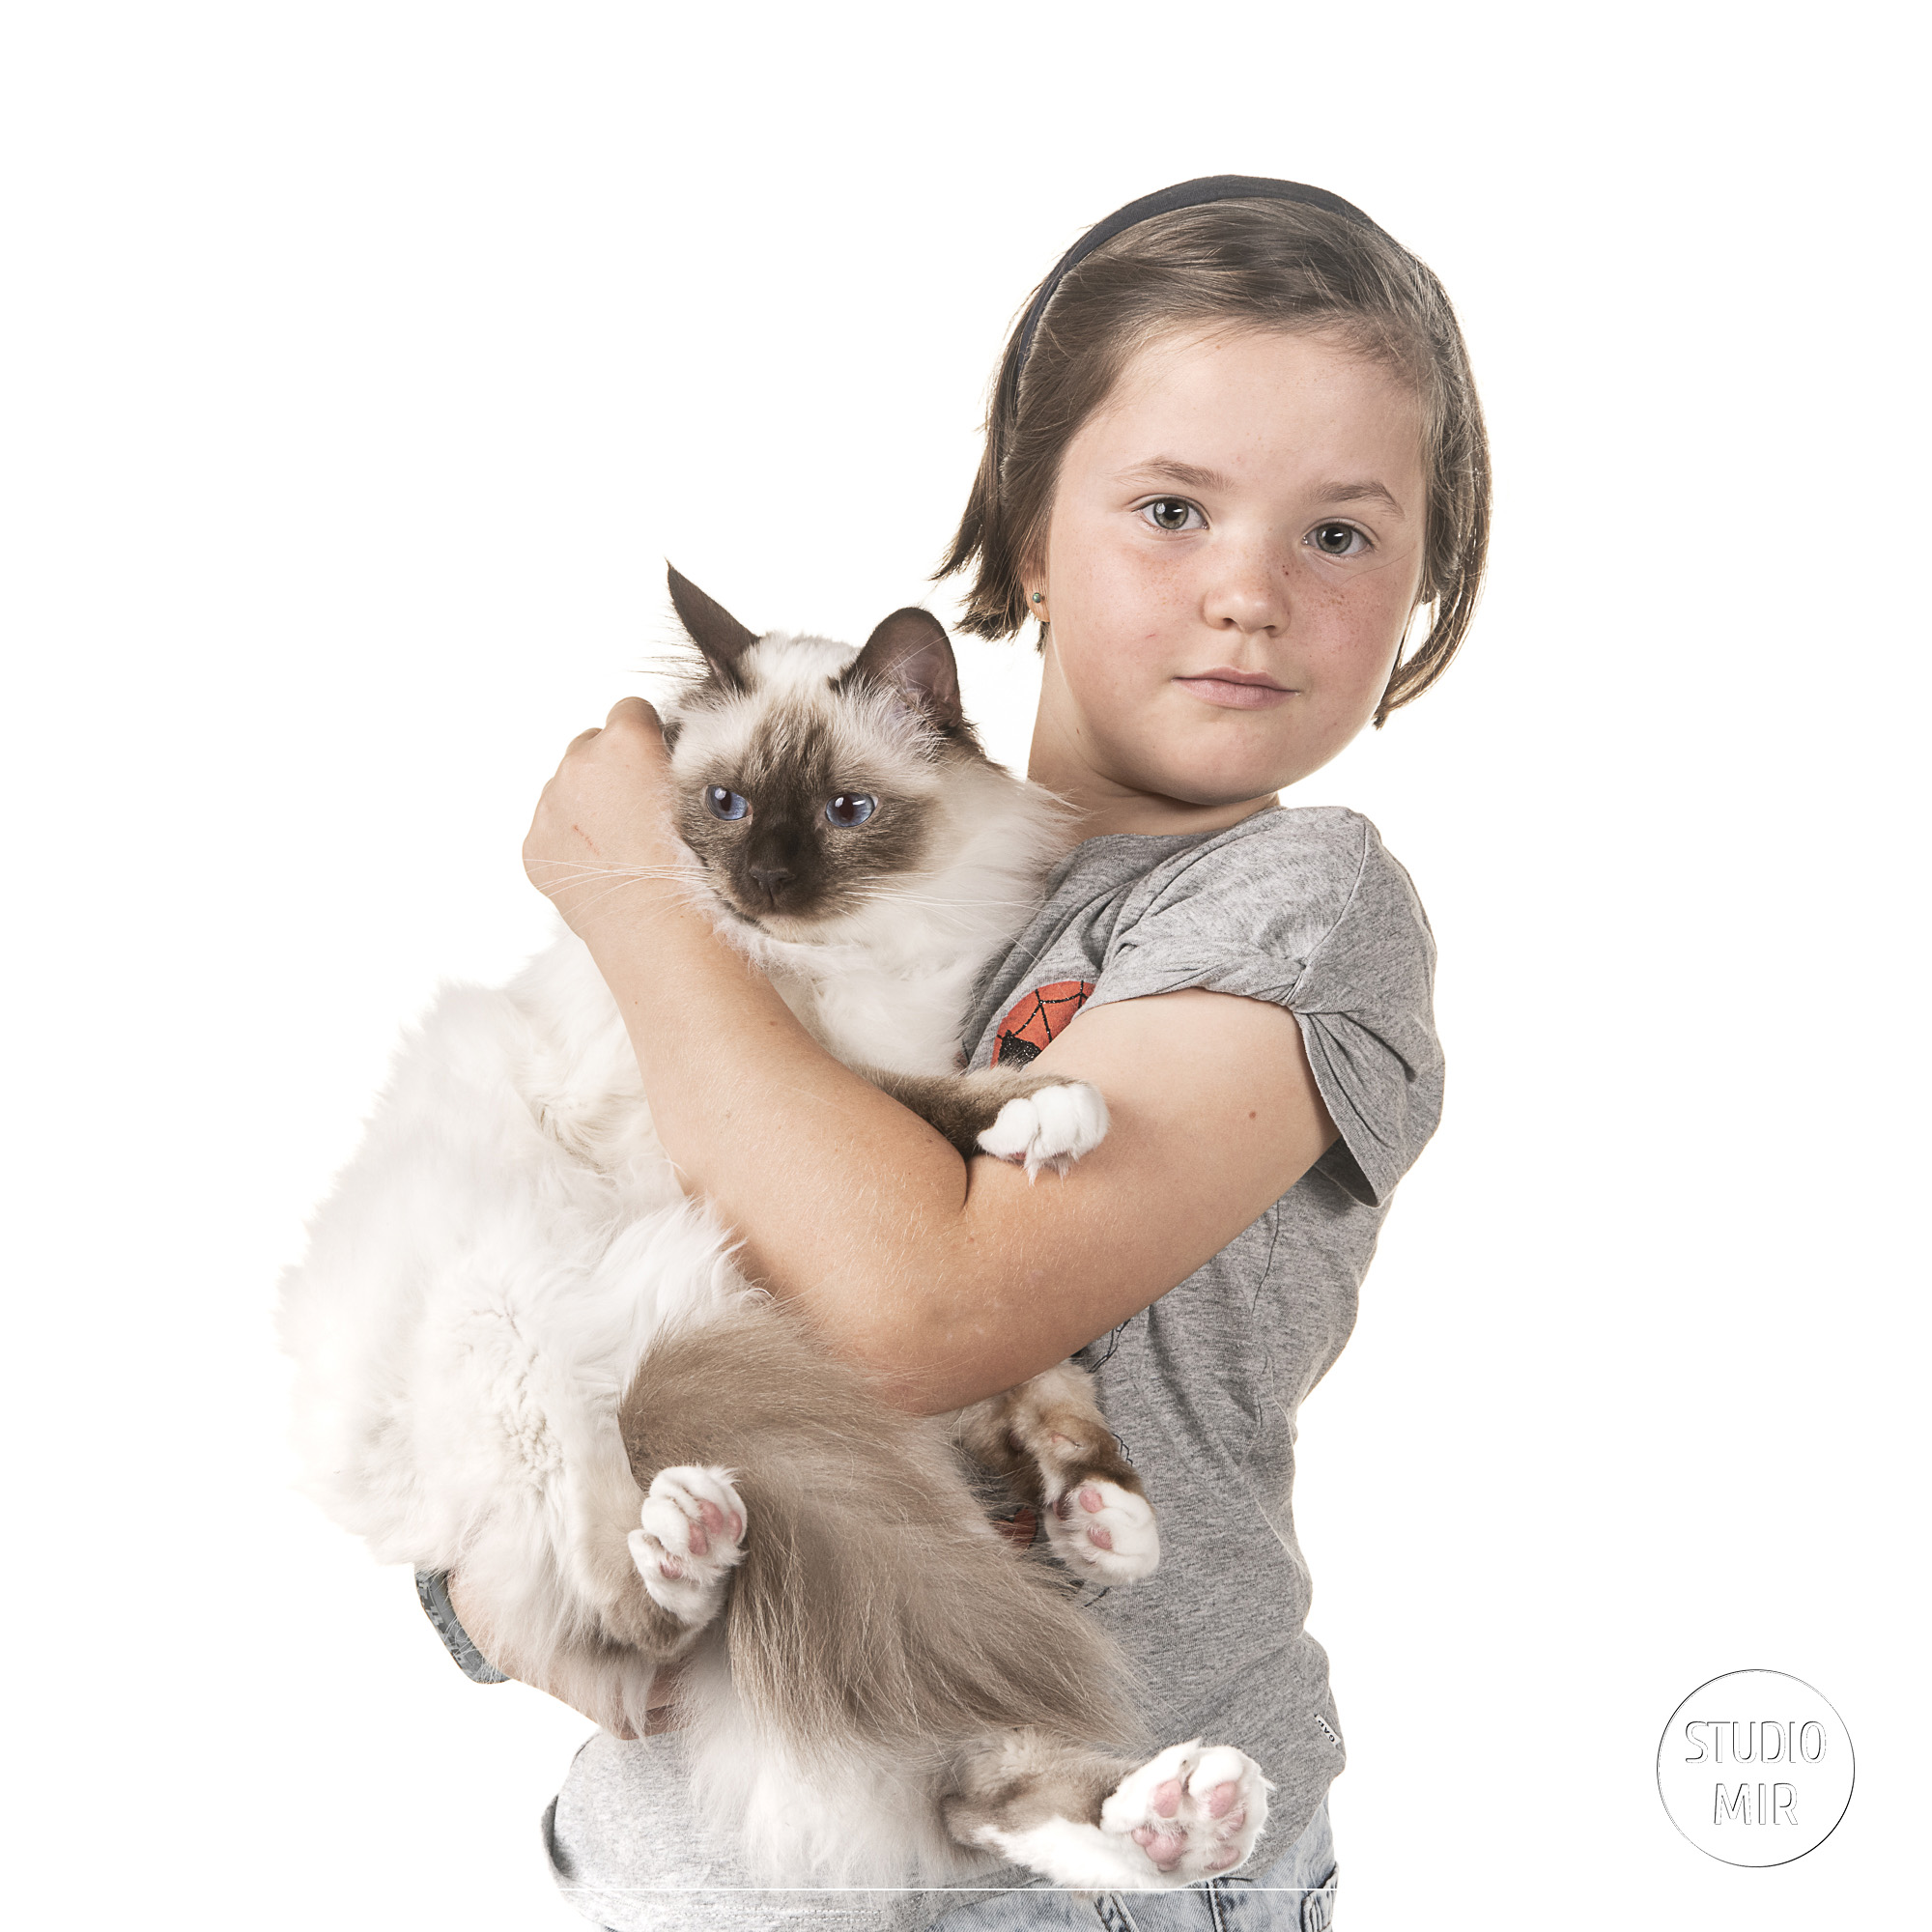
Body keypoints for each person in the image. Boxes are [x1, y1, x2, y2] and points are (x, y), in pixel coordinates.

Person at [440, 176, 1489, 1930]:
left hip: (1110, 1864)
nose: (1246, 594)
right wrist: (513, 1563)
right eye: (1172, 508)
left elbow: (930, 1313)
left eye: (1337, 535)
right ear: (1018, 538)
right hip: (682, 1861)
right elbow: (546, 1241)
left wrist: (637, 897)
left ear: (1419, 586)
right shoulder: (858, 871)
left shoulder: (1293, 907)